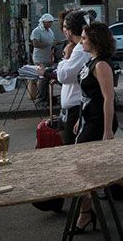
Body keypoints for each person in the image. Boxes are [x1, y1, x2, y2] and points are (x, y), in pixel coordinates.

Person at [72, 22, 123, 233]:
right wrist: (78, 121)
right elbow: (87, 97)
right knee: (101, 167)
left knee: (82, 168)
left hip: (99, 122)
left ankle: (85, 214)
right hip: (89, 120)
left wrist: (107, 130)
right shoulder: (91, 62)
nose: (81, 41)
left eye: (84, 38)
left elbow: (108, 99)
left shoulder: (101, 65)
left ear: (94, 40)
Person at [38, 9, 90, 144]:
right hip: (70, 108)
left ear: (70, 30)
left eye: (65, 27)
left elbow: (64, 76)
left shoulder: (80, 50)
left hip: (77, 108)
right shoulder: (77, 47)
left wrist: (65, 58)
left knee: (72, 148)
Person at [31, 13, 56, 108]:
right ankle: (40, 99)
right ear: (44, 22)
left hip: (47, 57)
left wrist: (51, 57)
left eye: (51, 22)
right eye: (49, 22)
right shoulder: (36, 31)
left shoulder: (50, 31)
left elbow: (52, 44)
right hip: (39, 58)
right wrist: (48, 44)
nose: (50, 24)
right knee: (42, 79)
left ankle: (46, 98)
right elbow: (35, 44)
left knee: (47, 79)